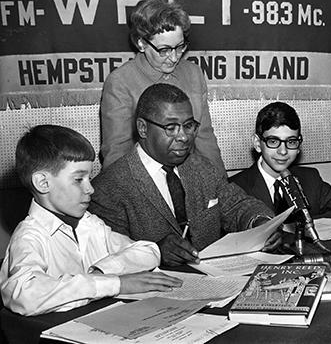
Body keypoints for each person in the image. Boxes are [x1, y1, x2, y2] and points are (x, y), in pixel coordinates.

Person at [90, 83, 281, 267]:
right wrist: (155, 252)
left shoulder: (201, 167)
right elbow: (110, 261)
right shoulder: (108, 189)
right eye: (171, 128)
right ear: (142, 128)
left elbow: (238, 205)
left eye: (188, 125)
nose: (183, 136)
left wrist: (260, 222)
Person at [0, 125, 181, 316]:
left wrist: (100, 273)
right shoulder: (29, 236)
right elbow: (26, 295)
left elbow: (148, 250)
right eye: (79, 179)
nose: (91, 189)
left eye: (89, 177)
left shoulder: (90, 224)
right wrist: (116, 283)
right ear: (43, 183)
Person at [99, 0, 226, 176]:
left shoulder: (193, 73)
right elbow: (116, 150)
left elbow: (205, 138)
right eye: (164, 50)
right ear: (142, 43)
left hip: (189, 175)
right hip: (143, 179)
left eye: (180, 47)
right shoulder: (121, 81)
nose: (174, 58)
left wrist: (222, 185)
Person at [229, 101, 331, 224]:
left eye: (291, 142)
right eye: (273, 141)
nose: (283, 151)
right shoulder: (235, 187)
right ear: (257, 143)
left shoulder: (309, 178)